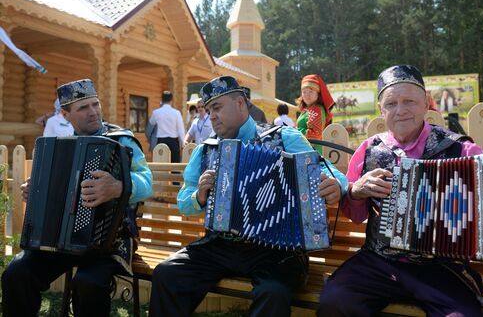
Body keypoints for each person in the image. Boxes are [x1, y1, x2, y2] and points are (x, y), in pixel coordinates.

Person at [317, 65, 483, 317]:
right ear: (381, 110)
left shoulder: (459, 149)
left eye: (409, 101)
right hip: (378, 261)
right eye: (391, 103)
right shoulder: (368, 150)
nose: (401, 110)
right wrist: (355, 191)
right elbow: (356, 215)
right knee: (335, 301)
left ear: (426, 104)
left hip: (442, 267)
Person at [149, 75, 348, 317]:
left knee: (273, 291)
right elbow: (184, 201)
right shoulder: (205, 150)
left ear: (240, 104)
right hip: (219, 245)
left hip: (276, 250)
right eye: (209, 109)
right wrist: (199, 196)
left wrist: (336, 186)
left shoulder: (284, 138)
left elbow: (333, 174)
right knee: (167, 274)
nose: (210, 115)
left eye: (217, 108)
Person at [2, 78, 153, 317]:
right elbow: (50, 189)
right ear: (65, 114)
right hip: (62, 241)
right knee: (17, 273)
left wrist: (118, 187)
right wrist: (36, 192)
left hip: (111, 241)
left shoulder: (122, 140)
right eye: (83, 108)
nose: (93, 112)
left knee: (88, 282)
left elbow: (147, 182)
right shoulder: (59, 145)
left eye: (95, 104)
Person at [296, 74, 335, 154]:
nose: (307, 95)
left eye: (311, 91)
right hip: (307, 151)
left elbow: (315, 135)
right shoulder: (307, 109)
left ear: (318, 93)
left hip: (312, 154)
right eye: (304, 92)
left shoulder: (316, 109)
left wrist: (294, 132)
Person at [148, 91, 185, 163]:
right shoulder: (176, 113)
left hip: (161, 141)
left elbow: (151, 124)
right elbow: (180, 130)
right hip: (173, 142)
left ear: (162, 99)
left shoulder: (156, 112)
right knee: (175, 168)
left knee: (161, 167)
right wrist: (182, 143)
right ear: (171, 100)